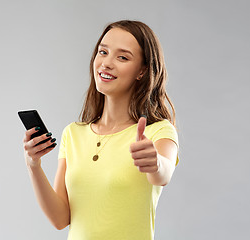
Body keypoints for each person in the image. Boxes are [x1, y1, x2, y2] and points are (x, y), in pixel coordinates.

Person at [23, 20, 179, 240]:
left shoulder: (159, 131)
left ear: (142, 71)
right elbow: (60, 219)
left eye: (122, 57)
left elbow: (162, 175)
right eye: (102, 52)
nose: (106, 63)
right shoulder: (73, 134)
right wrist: (33, 165)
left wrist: (155, 163)